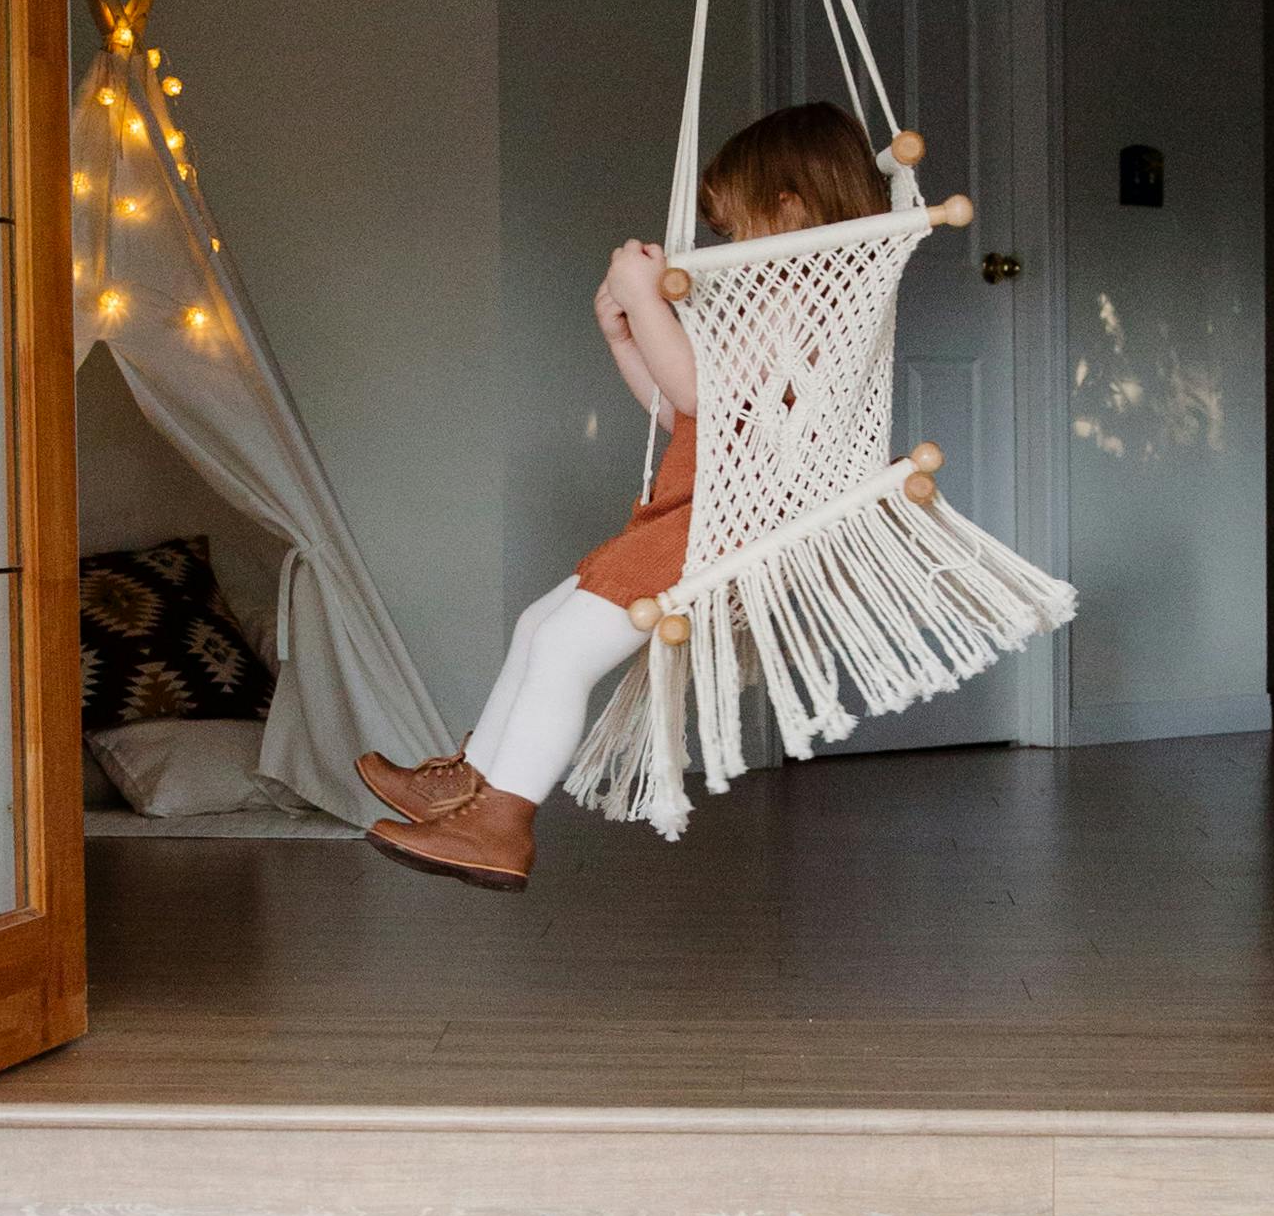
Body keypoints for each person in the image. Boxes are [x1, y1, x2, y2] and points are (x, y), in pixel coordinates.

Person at [362, 103, 892, 889]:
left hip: (727, 524)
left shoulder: (801, 291)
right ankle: (466, 780)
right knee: (539, 624)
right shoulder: (794, 292)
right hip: (697, 508)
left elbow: (702, 391)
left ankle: (502, 822)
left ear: (789, 209)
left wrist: (647, 301)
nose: (727, 245)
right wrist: (623, 335)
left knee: (564, 649)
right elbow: (682, 410)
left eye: (735, 225)